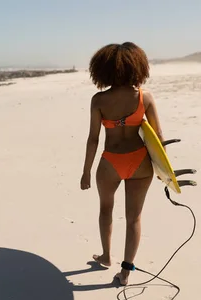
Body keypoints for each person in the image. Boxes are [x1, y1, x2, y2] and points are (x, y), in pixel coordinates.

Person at [80, 42, 165, 286]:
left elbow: (93, 139)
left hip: (110, 163)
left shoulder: (98, 100)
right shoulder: (144, 97)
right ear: (137, 67)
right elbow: (158, 137)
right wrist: (163, 172)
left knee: (106, 209)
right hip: (140, 163)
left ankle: (106, 256)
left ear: (103, 70)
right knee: (134, 218)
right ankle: (125, 272)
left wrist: (86, 171)